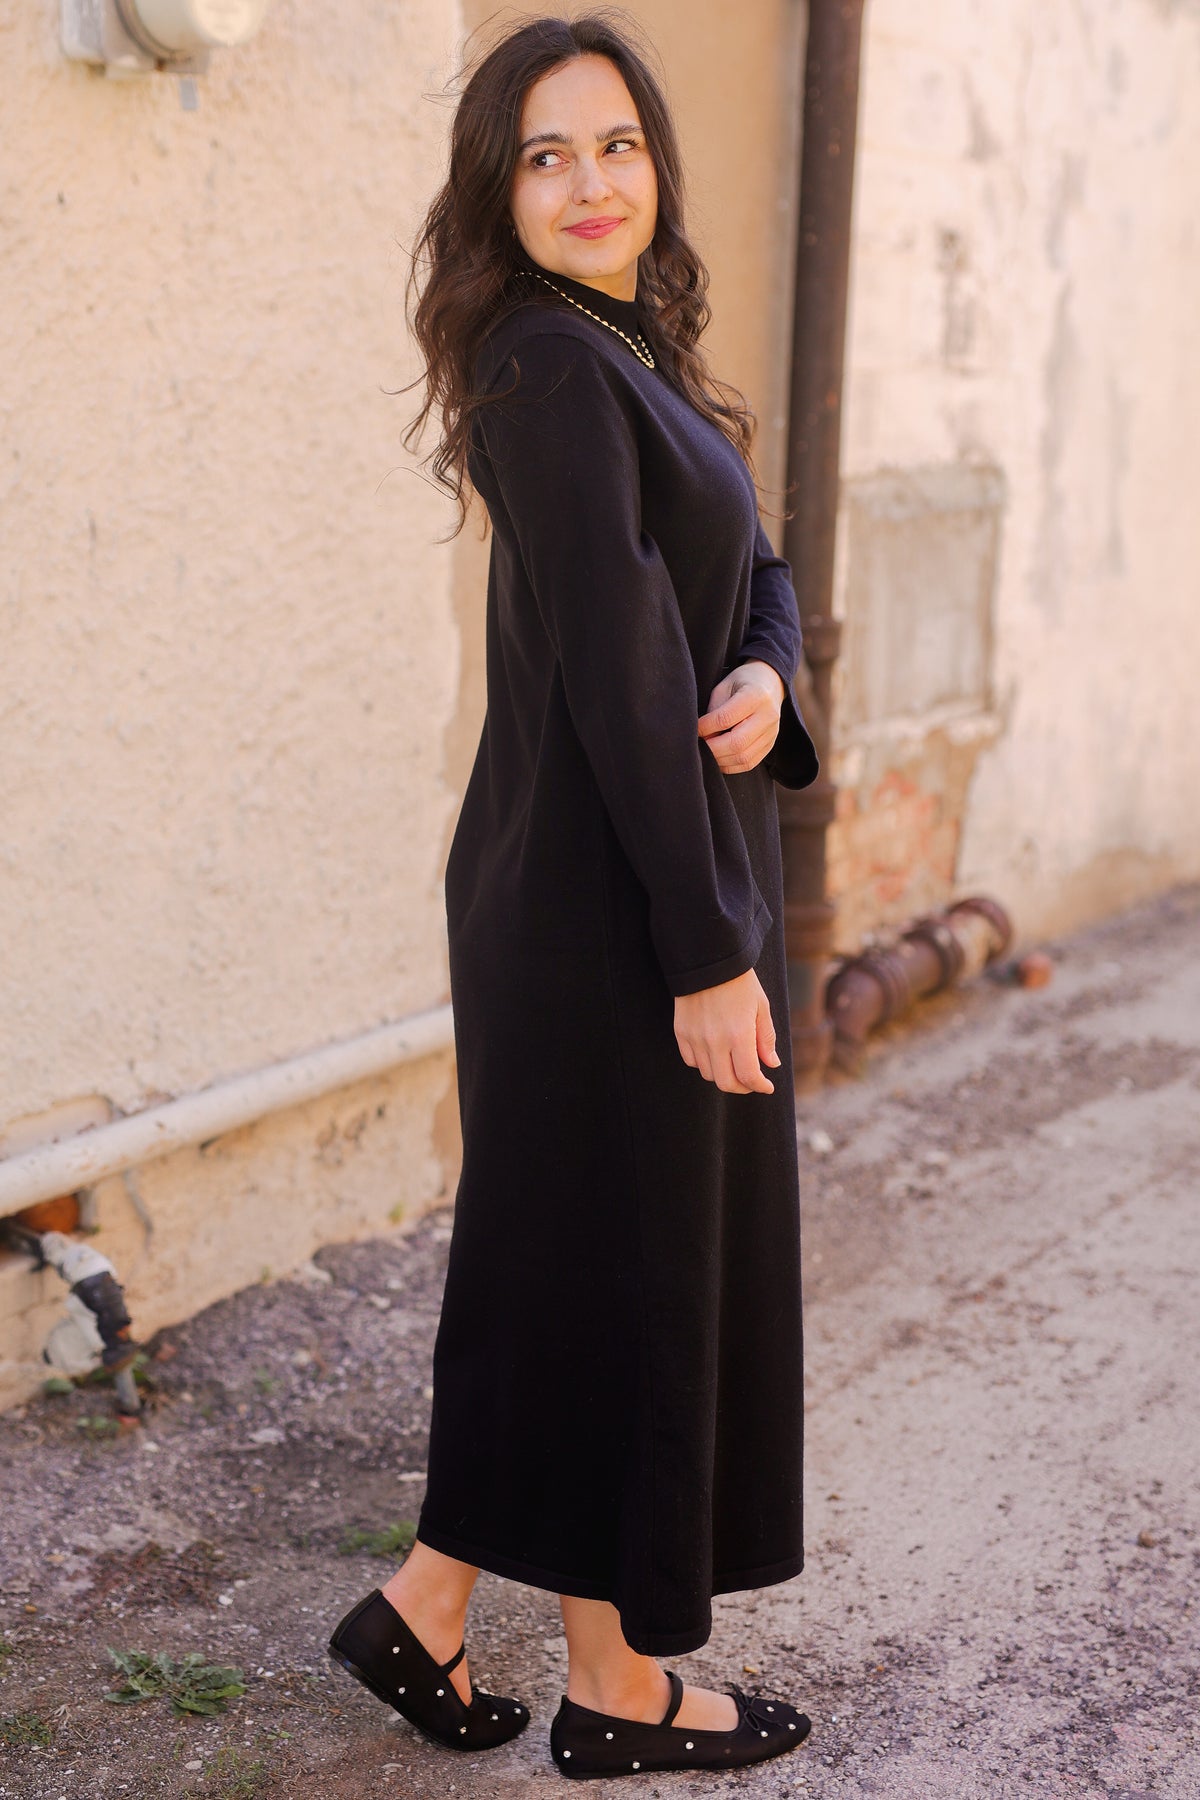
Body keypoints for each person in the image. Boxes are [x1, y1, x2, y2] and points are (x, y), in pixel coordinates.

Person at [328, 11, 819, 1781]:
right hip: (603, 901)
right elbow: (620, 670)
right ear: (499, 190)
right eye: (546, 155)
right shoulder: (543, 365)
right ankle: (586, 1680)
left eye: (616, 144)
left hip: (655, 865)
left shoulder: (635, 351)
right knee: (618, 1270)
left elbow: (749, 571)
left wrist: (770, 681)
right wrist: (704, 953)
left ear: (654, 167)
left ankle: (449, 1619)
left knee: (599, 1268)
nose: (592, 181)